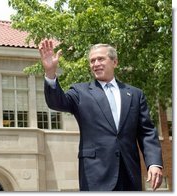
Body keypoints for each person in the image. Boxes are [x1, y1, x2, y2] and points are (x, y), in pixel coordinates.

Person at [39, 39, 163, 191]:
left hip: (129, 174)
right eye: (92, 61)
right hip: (95, 174)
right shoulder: (80, 92)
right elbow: (56, 102)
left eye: (100, 59)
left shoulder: (135, 94)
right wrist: (50, 72)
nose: (95, 64)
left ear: (115, 62)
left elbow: (147, 132)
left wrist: (154, 163)